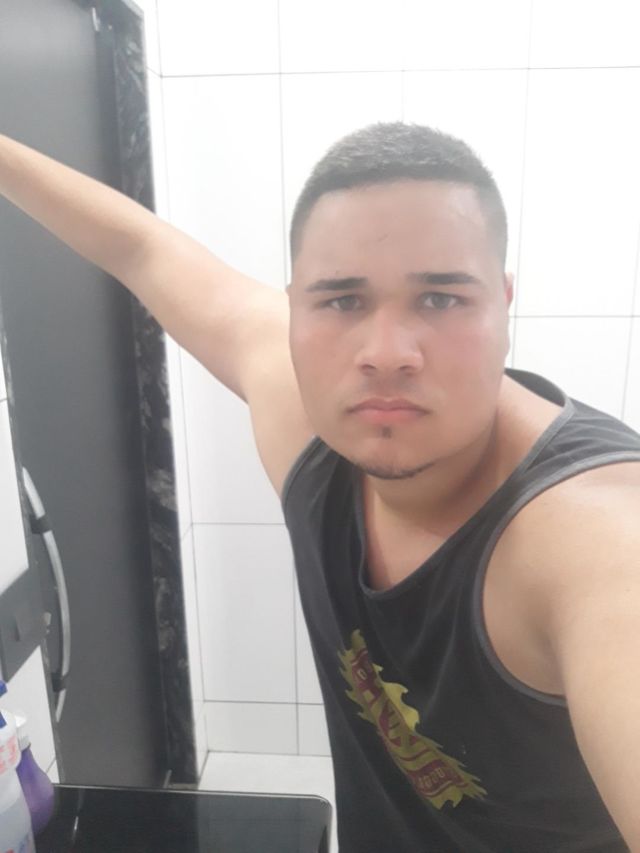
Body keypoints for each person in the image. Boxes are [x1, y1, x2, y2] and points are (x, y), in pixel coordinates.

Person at [1, 121, 639, 853]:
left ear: (504, 301)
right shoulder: (307, 427)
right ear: (295, 311)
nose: (387, 354)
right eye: (341, 301)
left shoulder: (598, 538)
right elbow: (140, 247)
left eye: (440, 299)